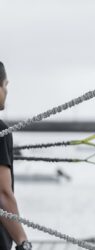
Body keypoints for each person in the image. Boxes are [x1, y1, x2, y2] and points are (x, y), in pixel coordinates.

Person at [0, 62, 32, 250]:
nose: (6, 91)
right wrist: (23, 241)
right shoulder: (1, 132)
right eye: (5, 85)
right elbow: (2, 194)